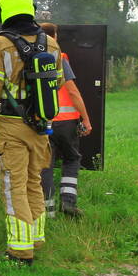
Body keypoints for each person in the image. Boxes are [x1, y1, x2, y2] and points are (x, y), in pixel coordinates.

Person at [0, 0, 62, 265]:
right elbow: (56, 84)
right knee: (34, 182)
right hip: (41, 126)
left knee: (13, 185)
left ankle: (19, 251)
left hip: (12, 124)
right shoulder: (51, 44)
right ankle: (36, 239)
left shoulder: (1, 44)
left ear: (2, 13)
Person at [38, 22, 92, 218]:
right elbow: (72, 91)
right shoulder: (59, 58)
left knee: (46, 164)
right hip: (67, 122)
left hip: (43, 121)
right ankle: (68, 203)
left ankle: (48, 211)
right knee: (71, 159)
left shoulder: (32, 59)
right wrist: (86, 119)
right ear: (55, 37)